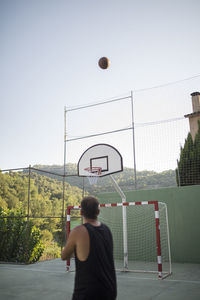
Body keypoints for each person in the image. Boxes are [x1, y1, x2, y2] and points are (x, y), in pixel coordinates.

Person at [61, 196, 117, 300]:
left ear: (81, 212)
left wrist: (74, 246)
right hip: (110, 290)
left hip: (88, 293)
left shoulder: (78, 231)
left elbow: (64, 256)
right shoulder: (107, 230)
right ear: (98, 212)